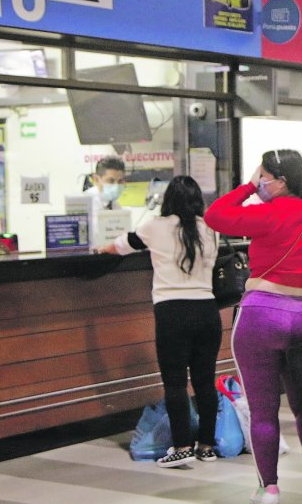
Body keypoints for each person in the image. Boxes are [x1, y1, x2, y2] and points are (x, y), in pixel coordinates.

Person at [204, 149, 302, 504]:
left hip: (259, 316)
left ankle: (269, 489)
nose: (259, 182)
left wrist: (246, 188)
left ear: (281, 181)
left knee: (263, 410)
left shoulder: (267, 213)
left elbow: (214, 215)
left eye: (263, 176)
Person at [96, 175, 221, 467]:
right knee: (205, 382)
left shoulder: (155, 226)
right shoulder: (211, 229)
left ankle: (182, 446)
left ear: (169, 200)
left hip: (172, 312)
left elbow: (121, 245)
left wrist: (101, 250)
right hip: (207, 311)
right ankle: (206, 446)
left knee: (175, 382)